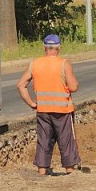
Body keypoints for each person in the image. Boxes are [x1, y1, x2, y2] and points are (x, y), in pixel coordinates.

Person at [16, 34, 81, 176]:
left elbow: (21, 85)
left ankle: (42, 172)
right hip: (62, 111)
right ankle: (70, 172)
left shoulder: (35, 64)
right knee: (66, 141)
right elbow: (73, 87)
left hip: (43, 111)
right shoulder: (64, 64)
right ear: (59, 47)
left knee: (44, 141)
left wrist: (32, 103)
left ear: (43, 47)